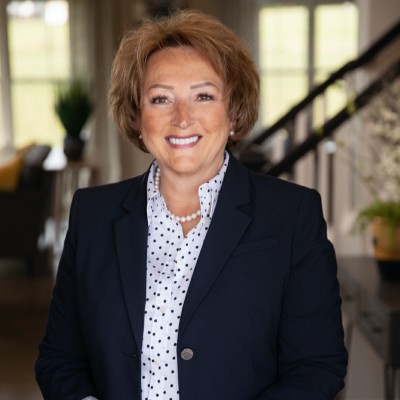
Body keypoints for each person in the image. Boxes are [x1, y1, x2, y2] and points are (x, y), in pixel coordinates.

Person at [35, 9, 347, 400]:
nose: (182, 118)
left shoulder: (292, 215)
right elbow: (60, 359)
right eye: (161, 98)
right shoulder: (92, 215)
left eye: (203, 96)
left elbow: (317, 366)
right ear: (137, 117)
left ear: (233, 112)